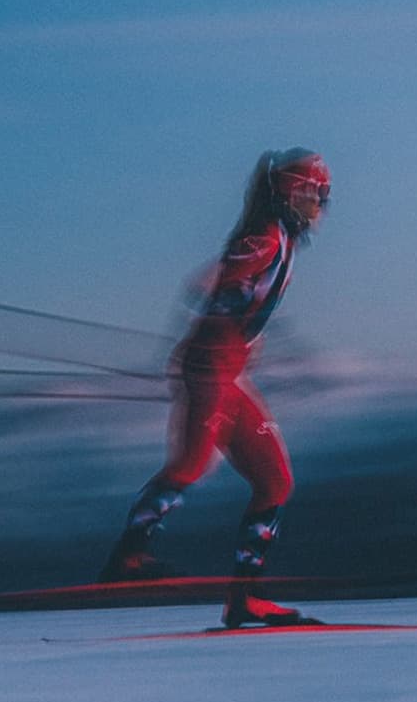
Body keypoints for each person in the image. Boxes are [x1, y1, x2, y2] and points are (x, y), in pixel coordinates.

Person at [99, 147, 332, 627]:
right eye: (317, 194)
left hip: (227, 373)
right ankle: (128, 558)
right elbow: (212, 281)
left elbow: (228, 291)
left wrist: (248, 334)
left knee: (275, 482)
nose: (321, 206)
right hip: (209, 371)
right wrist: (229, 313)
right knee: (188, 466)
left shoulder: (281, 240)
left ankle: (246, 597)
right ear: (295, 192)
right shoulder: (266, 238)